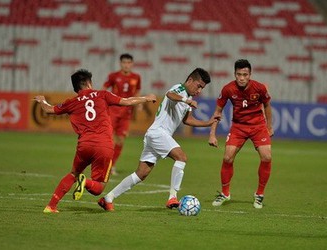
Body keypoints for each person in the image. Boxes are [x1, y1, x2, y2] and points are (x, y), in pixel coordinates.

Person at [97, 68, 221, 211]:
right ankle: (172, 197)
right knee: (181, 158)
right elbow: (170, 95)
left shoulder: (188, 97)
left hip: (157, 135)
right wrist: (186, 100)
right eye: (198, 86)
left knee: (141, 173)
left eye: (202, 88)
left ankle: (108, 198)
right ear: (190, 80)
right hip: (159, 133)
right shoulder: (179, 89)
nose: (199, 90)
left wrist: (208, 122)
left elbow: (188, 120)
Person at [34, 69, 156, 213]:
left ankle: (51, 206)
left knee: (73, 173)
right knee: (99, 187)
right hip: (103, 145)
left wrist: (42, 100)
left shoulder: (71, 102)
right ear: (88, 83)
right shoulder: (102, 95)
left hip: (84, 145)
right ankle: (84, 182)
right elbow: (127, 101)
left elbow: (48, 110)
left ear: (75, 87)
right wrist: (146, 98)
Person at [208, 59, 273, 209]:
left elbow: (267, 105)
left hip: (258, 126)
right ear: (234, 74)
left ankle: (259, 194)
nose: (242, 78)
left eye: (245, 74)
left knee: (267, 156)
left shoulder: (260, 88)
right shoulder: (228, 89)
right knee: (227, 157)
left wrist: (269, 126)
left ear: (250, 75)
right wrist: (212, 134)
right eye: (239, 74)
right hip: (238, 127)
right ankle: (225, 193)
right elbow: (218, 112)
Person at [102, 53, 141, 176]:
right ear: (120, 63)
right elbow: (104, 88)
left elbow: (137, 91)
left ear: (132, 64)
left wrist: (139, 102)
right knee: (108, 139)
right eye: (124, 62)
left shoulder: (136, 77)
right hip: (113, 111)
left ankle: (111, 166)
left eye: (129, 63)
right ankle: (102, 164)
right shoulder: (113, 76)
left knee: (120, 141)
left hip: (126, 113)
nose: (126, 65)